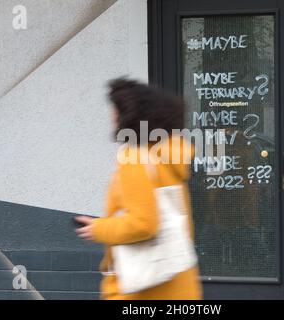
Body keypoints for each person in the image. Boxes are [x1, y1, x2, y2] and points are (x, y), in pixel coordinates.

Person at [75, 78, 202, 300]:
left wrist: (99, 229)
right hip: (179, 283)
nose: (111, 115)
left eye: (115, 109)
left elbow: (143, 224)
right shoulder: (168, 155)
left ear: (131, 114)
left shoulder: (135, 159)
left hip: (145, 290)